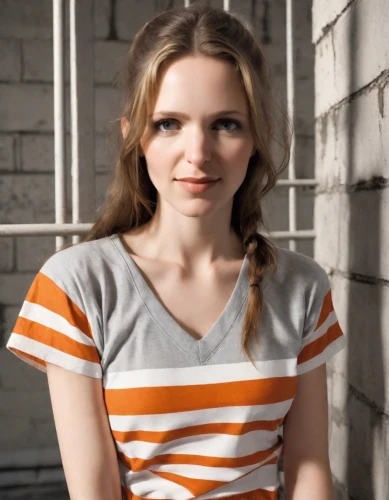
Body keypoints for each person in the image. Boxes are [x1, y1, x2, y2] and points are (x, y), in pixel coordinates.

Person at [6, 3, 347, 500]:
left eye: (226, 124)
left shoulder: (302, 287)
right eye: (168, 123)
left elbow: (309, 471)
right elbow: (94, 489)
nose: (198, 153)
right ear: (135, 137)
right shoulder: (77, 286)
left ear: (255, 139)